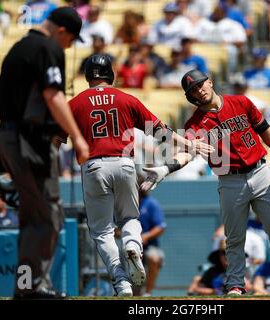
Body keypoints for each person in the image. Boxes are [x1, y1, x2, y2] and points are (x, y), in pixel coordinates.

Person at [141, 70, 270, 295]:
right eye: (194, 89)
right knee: (234, 237)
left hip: (260, 172)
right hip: (230, 181)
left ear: (210, 81)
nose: (200, 90)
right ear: (190, 96)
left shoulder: (241, 101)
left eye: (201, 84)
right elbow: (187, 153)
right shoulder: (194, 124)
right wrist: (167, 168)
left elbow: (264, 128)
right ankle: (236, 283)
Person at [68, 55, 212, 296]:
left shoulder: (75, 103)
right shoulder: (126, 98)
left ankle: (121, 281)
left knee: (102, 231)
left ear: (88, 76)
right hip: (125, 164)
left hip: (93, 166)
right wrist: (188, 144)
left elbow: (54, 139)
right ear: (110, 75)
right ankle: (133, 245)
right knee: (129, 219)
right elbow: (160, 131)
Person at [0, 7, 90, 299]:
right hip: (30, 141)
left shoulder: (19, 47)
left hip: (8, 137)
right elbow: (53, 95)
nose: (70, 46)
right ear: (62, 31)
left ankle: (26, 287)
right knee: (48, 217)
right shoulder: (48, 47)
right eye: (72, 40)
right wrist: (77, 137)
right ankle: (32, 287)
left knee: (32, 217)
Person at [137, 189, 167, 297]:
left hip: (149, 245)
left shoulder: (151, 203)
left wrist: (146, 236)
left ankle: (147, 293)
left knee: (154, 258)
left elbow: (161, 227)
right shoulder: (125, 204)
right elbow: (115, 229)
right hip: (130, 246)